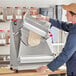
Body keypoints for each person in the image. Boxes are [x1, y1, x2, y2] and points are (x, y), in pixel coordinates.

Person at [36, 3, 76, 76]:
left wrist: (47, 67)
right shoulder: (73, 27)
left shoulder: (74, 33)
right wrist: (46, 18)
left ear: (74, 16)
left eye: (67, 13)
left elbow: (66, 54)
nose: (65, 15)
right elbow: (63, 25)